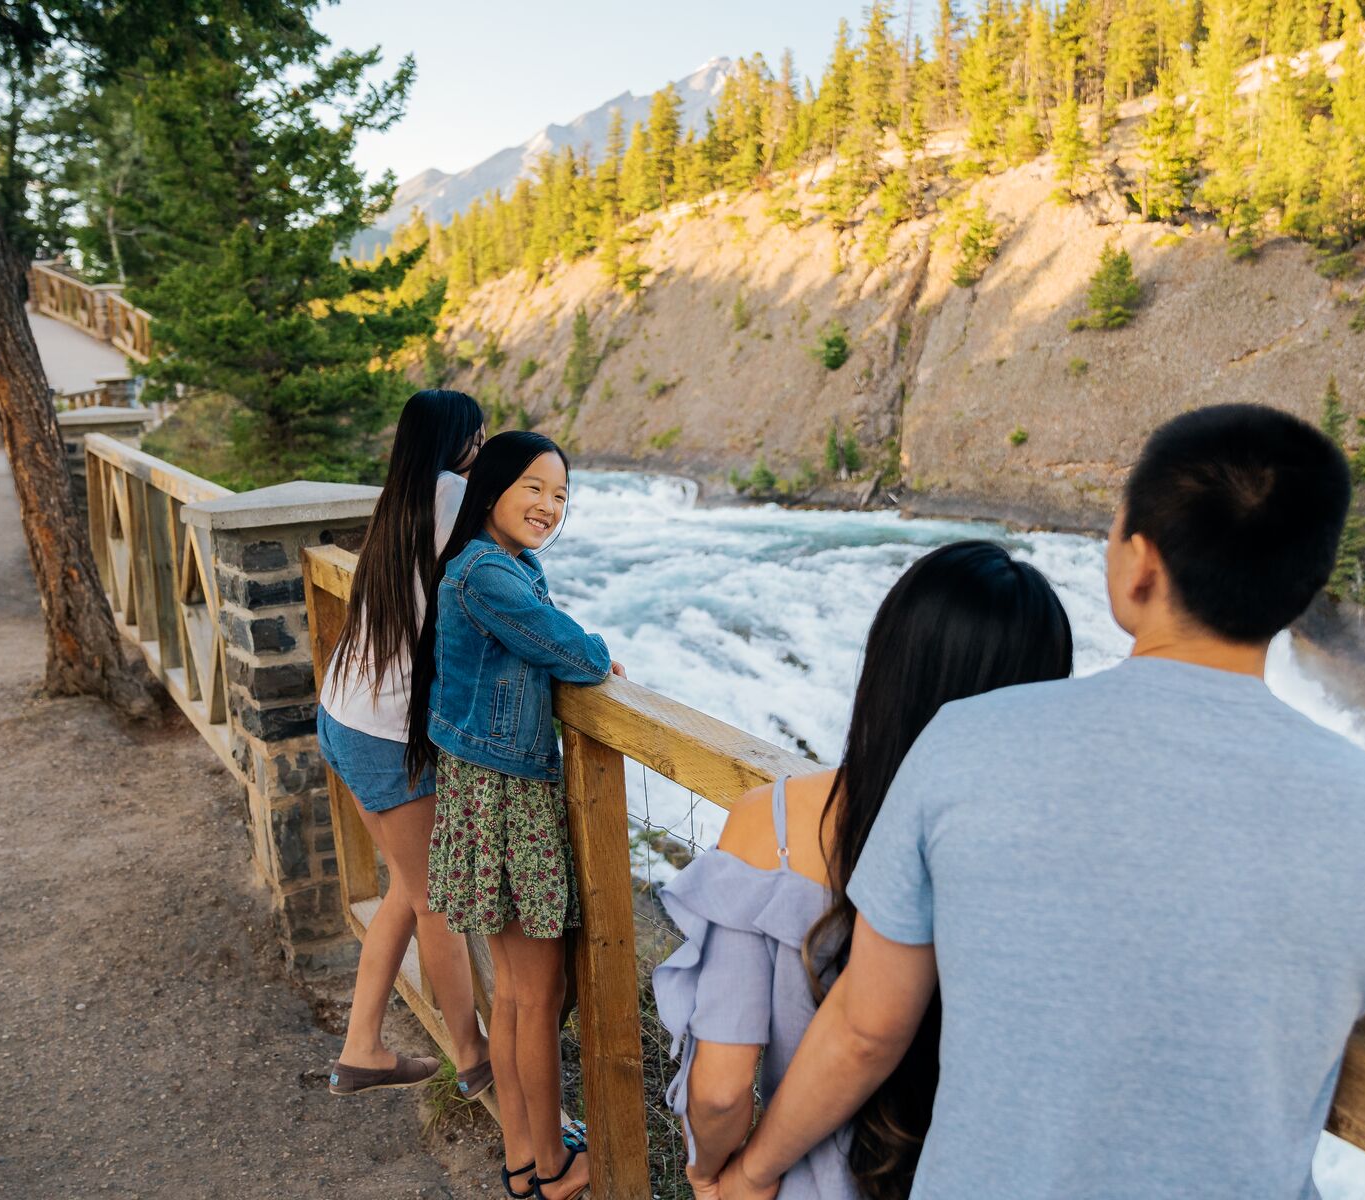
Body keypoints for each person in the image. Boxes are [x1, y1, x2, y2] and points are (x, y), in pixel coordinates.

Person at [716, 403, 1365, 1200]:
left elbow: (866, 1028)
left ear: (1139, 564)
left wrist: (754, 1168)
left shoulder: (966, 742)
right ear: (1302, 589)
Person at [655, 541, 1074, 1200]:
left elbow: (719, 1090)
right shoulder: (1059, 855)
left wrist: (718, 1173)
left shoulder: (774, 823)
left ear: (888, 666)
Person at [405, 430, 622, 1200]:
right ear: (491, 486)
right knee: (536, 995)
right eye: (534, 487)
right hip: (507, 800)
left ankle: (525, 1154)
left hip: (489, 792)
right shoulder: (487, 576)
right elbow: (583, 658)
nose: (549, 506)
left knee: (519, 996)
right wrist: (595, 652)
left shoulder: (498, 566)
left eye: (561, 496)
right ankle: (554, 1172)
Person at [319, 390, 488, 1101]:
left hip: (345, 713)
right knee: (436, 900)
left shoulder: (401, 498)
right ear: (457, 443)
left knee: (406, 886)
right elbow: (505, 577)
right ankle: (476, 1059)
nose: (482, 451)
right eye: (477, 439)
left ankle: (362, 1049)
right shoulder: (454, 494)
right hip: (384, 735)